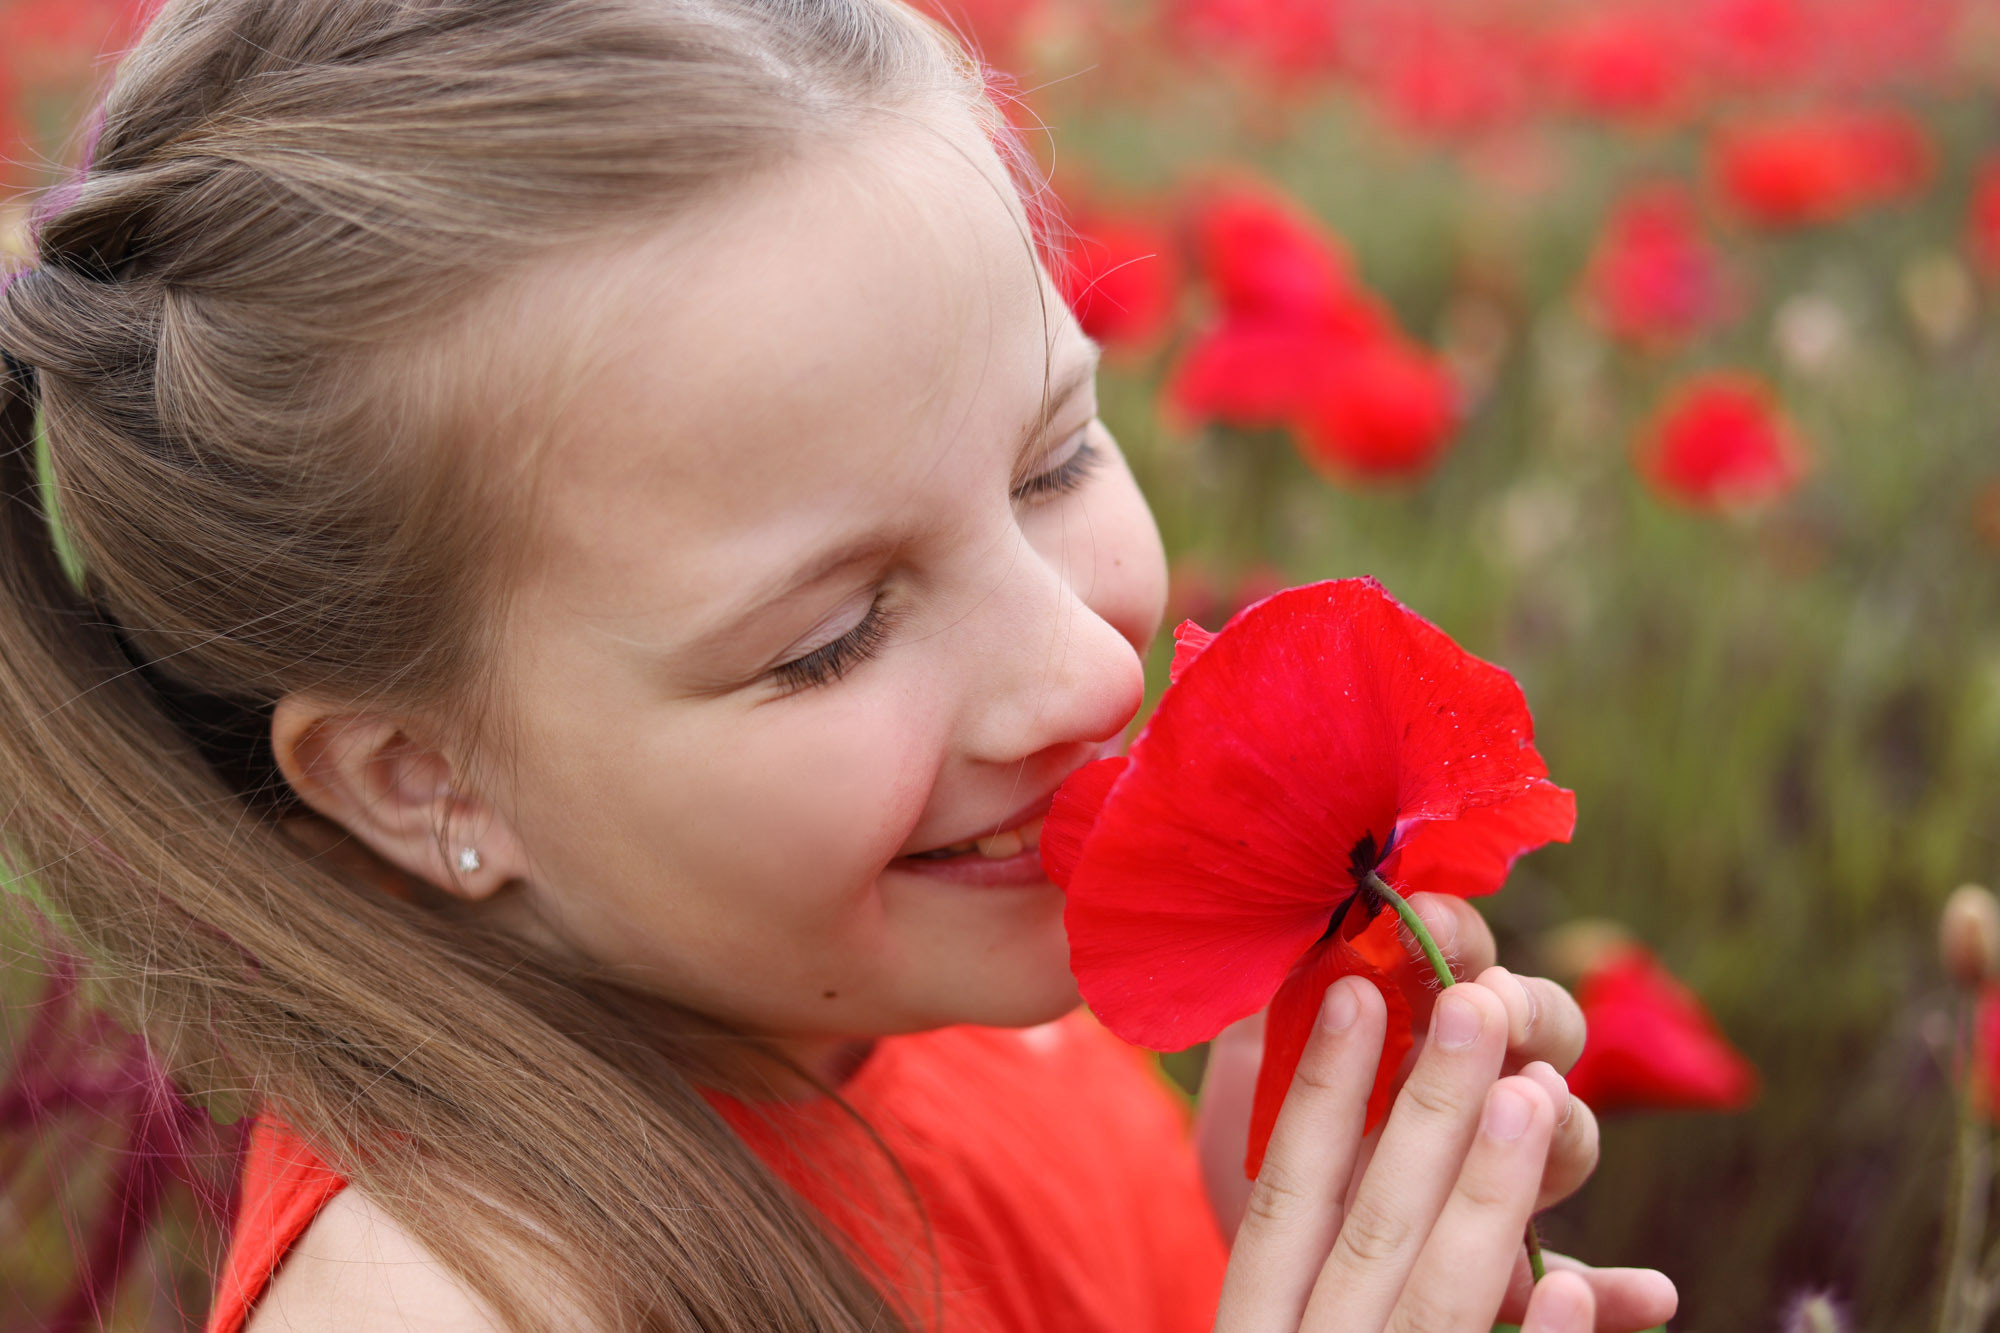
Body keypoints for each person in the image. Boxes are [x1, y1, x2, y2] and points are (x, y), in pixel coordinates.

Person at [0, 1, 1680, 1329]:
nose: (1084, 679)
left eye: (1056, 458)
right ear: (423, 775)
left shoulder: (917, 991)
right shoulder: (457, 1299)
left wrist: (1261, 1258)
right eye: (831, 638)